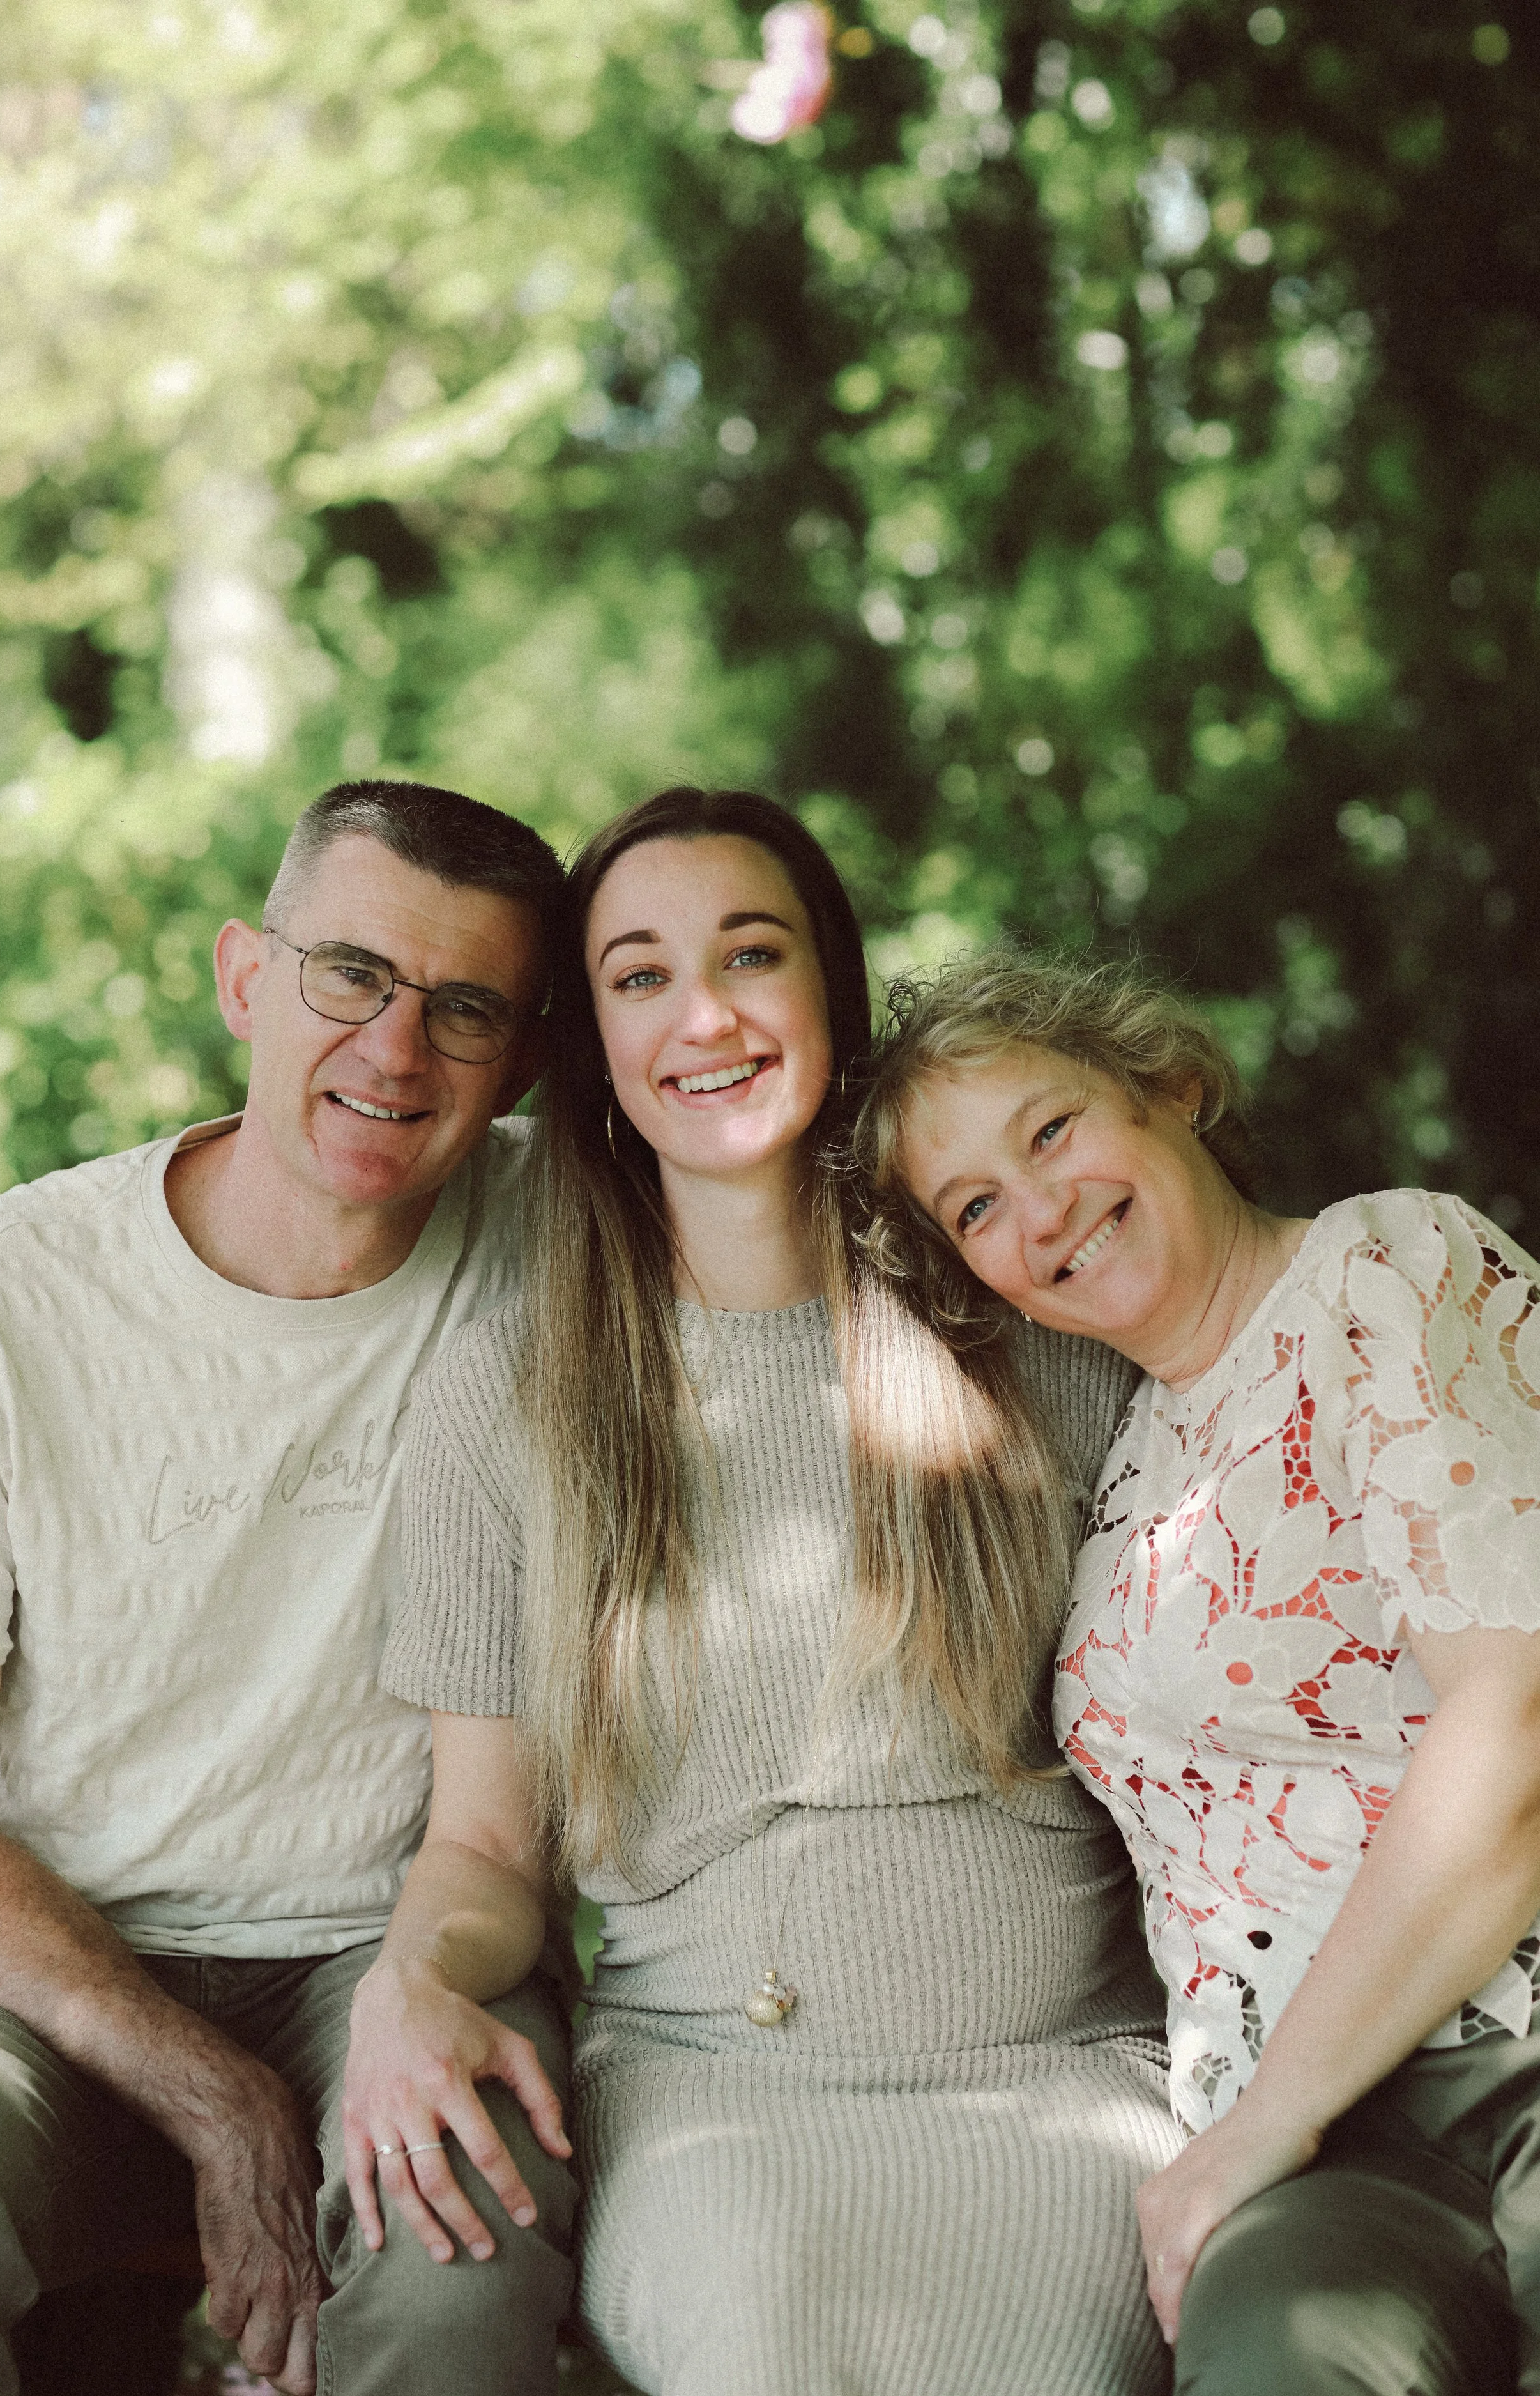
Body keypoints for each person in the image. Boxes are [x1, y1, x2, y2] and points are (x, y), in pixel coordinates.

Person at [356, 786, 1181, 2396]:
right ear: (590, 1044)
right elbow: (480, 1850)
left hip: (1065, 2087)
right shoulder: (511, 1394)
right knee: (760, 2340)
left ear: (831, 994)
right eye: (641, 976)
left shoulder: (1034, 1333)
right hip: (709, 2096)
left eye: (751, 953)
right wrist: (415, 1978)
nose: (707, 1014)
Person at [0, 780, 579, 2396]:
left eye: (464, 1010)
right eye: (348, 975)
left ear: (519, 1058)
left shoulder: (571, 1238)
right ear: (244, 978)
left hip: (401, 1952)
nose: (393, 1050)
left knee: (461, 2288)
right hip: (48, 1975)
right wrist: (214, 2095)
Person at [853, 942, 1540, 2395]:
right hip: (1320, 2150)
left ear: (1164, 1086)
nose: (1039, 1208)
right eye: (975, 1204)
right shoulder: (1114, 1475)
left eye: (1050, 1129)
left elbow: (1514, 1722)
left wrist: (1251, 2131)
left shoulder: (1386, 1267)